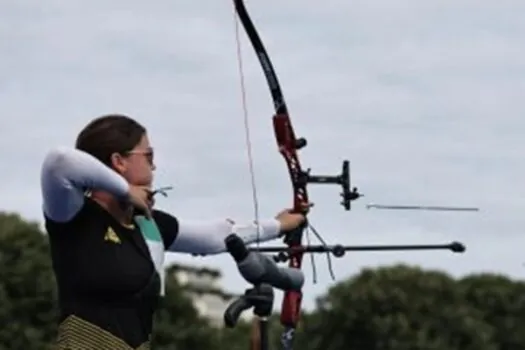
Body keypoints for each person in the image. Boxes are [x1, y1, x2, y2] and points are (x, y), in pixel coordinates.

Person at [40, 114, 306, 350]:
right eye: (148, 156)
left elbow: (216, 236)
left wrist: (278, 225)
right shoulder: (75, 214)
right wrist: (125, 190)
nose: (154, 167)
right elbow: (59, 161)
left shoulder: (148, 225)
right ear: (119, 161)